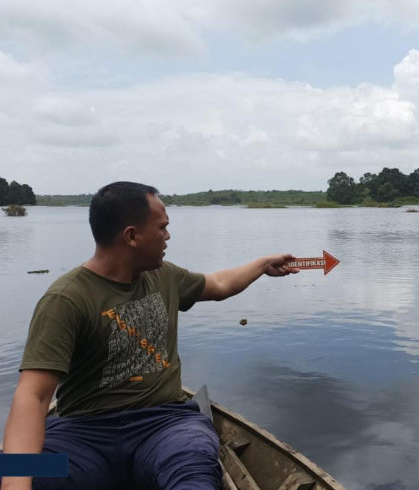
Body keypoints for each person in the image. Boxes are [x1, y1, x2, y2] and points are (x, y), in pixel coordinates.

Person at [1, 181, 299, 490]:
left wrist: (263, 265)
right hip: (84, 435)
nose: (168, 236)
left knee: (193, 463)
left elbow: (219, 284)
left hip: (165, 426)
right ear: (131, 236)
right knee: (28, 472)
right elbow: (33, 397)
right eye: (162, 228)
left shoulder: (164, 276)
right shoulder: (66, 299)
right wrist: (15, 484)